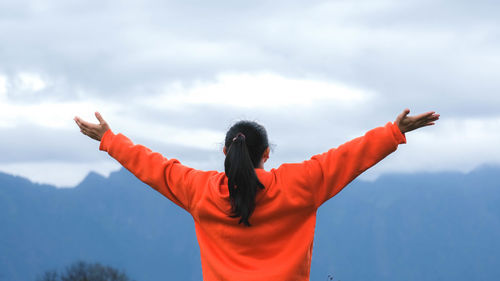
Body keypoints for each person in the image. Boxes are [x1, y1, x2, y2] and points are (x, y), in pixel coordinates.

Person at [74, 108, 439, 281]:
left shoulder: (201, 192)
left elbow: (154, 168)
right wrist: (393, 132)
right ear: (267, 155)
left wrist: (110, 139)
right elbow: (348, 158)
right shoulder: (301, 185)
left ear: (224, 154)